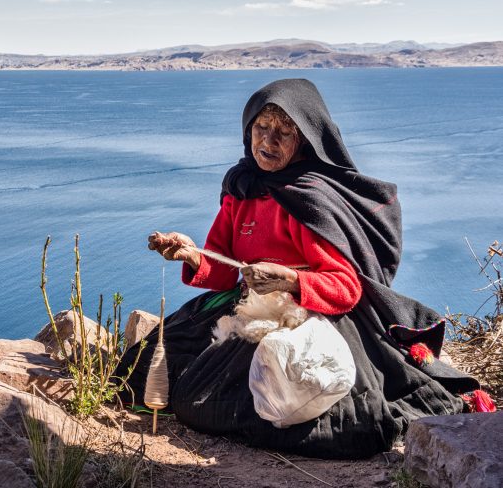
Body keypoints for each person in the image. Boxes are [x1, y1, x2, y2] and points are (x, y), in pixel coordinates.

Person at [117, 79, 494, 459]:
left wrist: (292, 280)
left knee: (309, 409)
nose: (268, 141)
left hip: (310, 314)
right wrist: (191, 256)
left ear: (305, 142)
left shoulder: (308, 199)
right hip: (248, 307)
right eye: (261, 128)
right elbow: (223, 270)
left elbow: (346, 287)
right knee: (145, 368)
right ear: (248, 129)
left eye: (284, 132)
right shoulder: (243, 188)